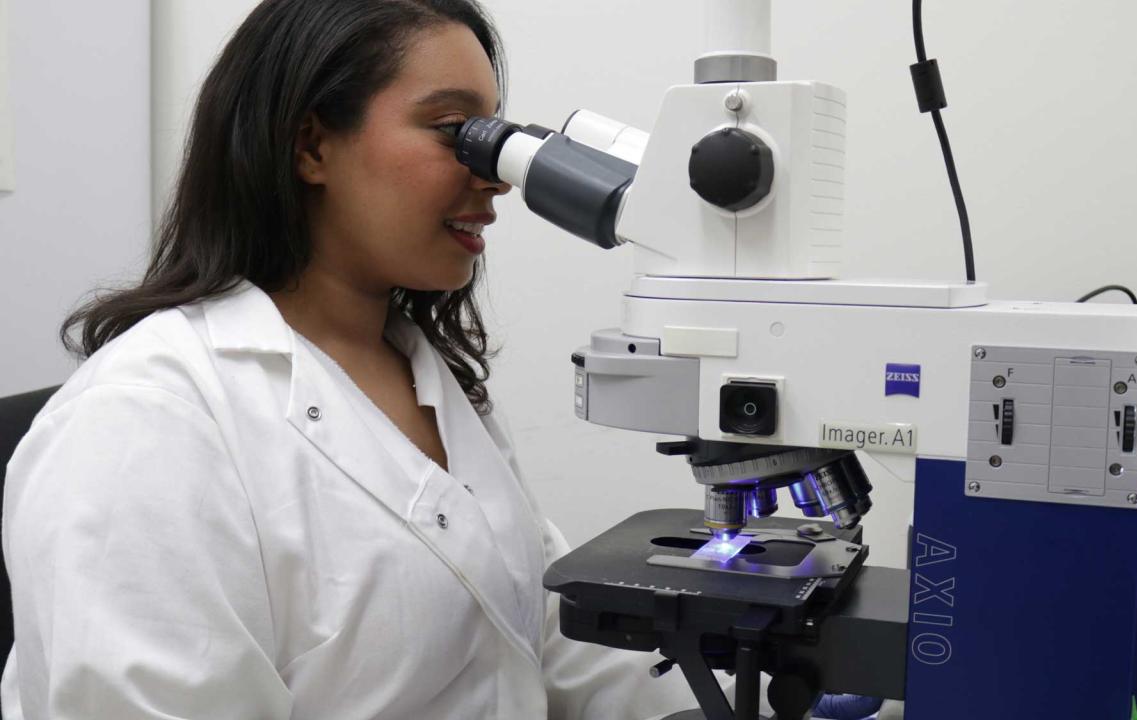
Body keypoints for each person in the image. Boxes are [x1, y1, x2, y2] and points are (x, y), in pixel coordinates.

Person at [0, 0, 885, 717]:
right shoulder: (145, 423)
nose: (496, 176)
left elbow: (536, 640)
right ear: (311, 146)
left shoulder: (428, 374)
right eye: (455, 130)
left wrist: (733, 703)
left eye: (493, 135)